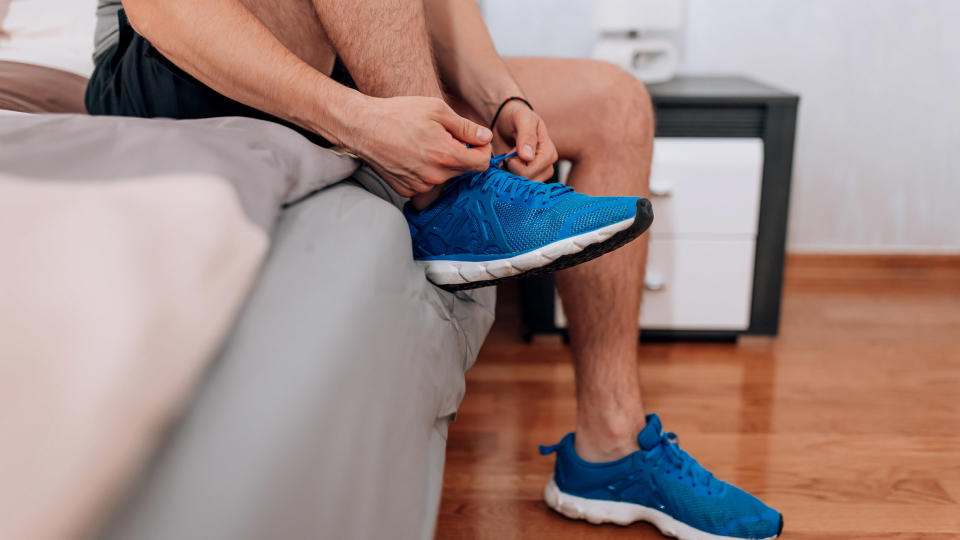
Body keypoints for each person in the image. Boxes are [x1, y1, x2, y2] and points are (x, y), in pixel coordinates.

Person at [84, 1, 782, 538]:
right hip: (177, 67)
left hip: (341, 53)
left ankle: (612, 448)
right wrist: (356, 119)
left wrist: (504, 101)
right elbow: (162, 12)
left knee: (615, 105)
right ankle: (447, 202)